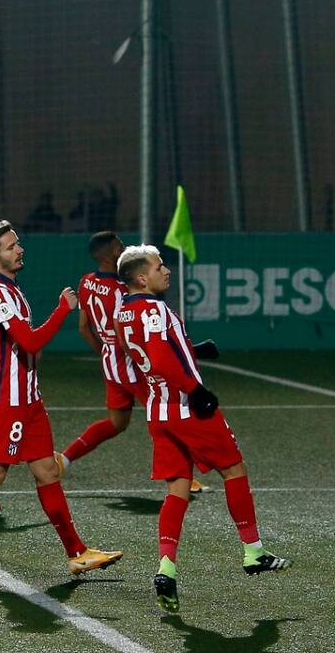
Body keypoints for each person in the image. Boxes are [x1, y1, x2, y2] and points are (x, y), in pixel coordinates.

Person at [0, 221, 123, 579]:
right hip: (8, 402)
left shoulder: (11, 288)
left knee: (47, 471)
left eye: (17, 243)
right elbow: (30, 342)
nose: (19, 249)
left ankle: (77, 553)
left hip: (28, 399)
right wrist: (62, 309)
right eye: (11, 247)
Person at [114, 245, 289, 613]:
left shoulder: (124, 313)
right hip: (185, 406)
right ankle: (253, 551)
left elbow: (151, 353)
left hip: (158, 410)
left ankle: (166, 567)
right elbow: (161, 357)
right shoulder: (155, 308)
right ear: (141, 278)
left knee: (178, 487)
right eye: (159, 266)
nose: (167, 271)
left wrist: (191, 350)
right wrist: (197, 390)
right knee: (233, 469)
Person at [55, 231, 205, 492]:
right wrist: (135, 357)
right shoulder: (122, 290)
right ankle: (182, 474)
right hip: (130, 363)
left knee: (117, 423)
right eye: (120, 246)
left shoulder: (86, 282)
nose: (124, 248)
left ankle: (64, 460)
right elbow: (123, 329)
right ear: (112, 253)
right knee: (164, 412)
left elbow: (83, 327)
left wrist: (105, 353)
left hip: (109, 361)